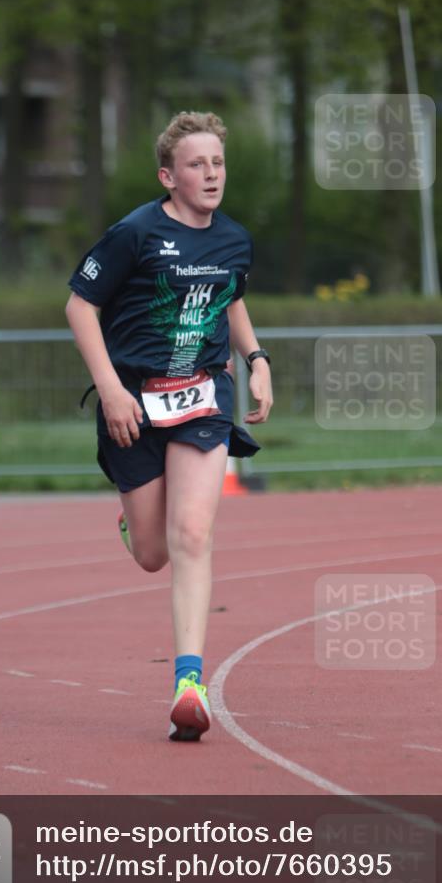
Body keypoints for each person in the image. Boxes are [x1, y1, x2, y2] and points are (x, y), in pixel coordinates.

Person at [65, 111, 273, 741]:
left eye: (217, 164)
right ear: (168, 176)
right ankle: (133, 523)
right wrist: (109, 390)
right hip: (134, 402)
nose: (210, 175)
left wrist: (257, 360)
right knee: (154, 554)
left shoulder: (234, 239)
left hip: (205, 396)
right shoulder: (134, 233)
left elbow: (229, 297)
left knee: (193, 535)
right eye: (196, 165)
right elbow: (80, 305)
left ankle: (189, 682)